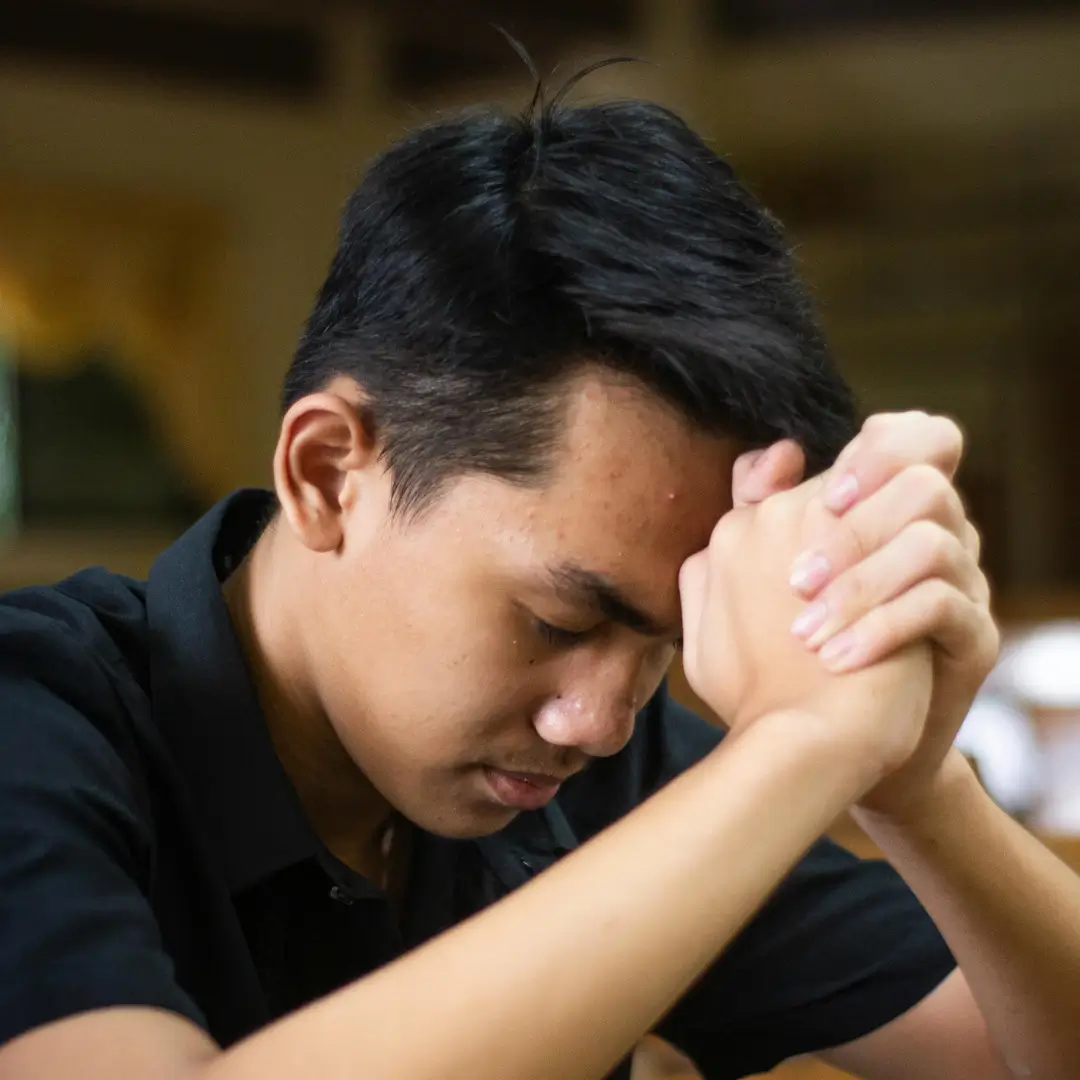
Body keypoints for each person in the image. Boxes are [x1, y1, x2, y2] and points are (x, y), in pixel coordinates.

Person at [1, 72, 1078, 1080]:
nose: (601, 720)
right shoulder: (36, 723)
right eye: (560, 620)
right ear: (327, 474)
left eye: (663, 643)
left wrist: (913, 781)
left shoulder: (599, 766)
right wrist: (794, 751)